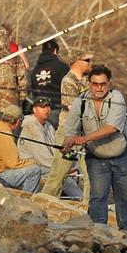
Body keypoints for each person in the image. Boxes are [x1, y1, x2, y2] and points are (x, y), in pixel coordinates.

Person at [61, 64, 127, 230]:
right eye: (95, 84)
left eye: (103, 84)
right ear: (89, 84)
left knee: (126, 199)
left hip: (122, 157)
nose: (99, 88)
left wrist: (84, 138)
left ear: (108, 84)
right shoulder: (80, 102)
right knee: (98, 197)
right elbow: (71, 130)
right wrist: (67, 145)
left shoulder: (117, 98)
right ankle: (97, 234)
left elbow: (111, 128)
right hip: (96, 159)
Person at [41, 51, 93, 199]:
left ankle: (90, 206)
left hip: (86, 132)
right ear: (77, 61)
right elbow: (74, 108)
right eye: (87, 60)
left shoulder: (89, 80)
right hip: (68, 132)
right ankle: (45, 201)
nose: (90, 63)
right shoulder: (68, 81)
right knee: (59, 171)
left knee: (91, 172)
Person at [18, 98, 81, 198]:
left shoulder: (48, 125)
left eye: (48, 107)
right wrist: (64, 167)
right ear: (34, 110)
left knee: (79, 165)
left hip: (46, 165)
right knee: (63, 178)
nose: (46, 110)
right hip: (34, 168)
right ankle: (83, 202)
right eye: (42, 107)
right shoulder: (30, 128)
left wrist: (71, 159)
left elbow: (57, 148)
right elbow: (43, 158)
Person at [0, 105, 46, 193]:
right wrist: (32, 161)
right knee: (35, 170)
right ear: (18, 122)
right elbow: (14, 163)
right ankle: (27, 200)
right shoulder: (4, 135)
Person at [30, 39, 68, 122]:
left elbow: (33, 92)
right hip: (58, 111)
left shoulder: (35, 71)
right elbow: (67, 88)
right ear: (55, 51)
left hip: (39, 114)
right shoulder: (62, 67)